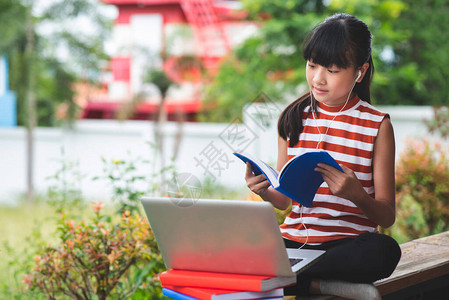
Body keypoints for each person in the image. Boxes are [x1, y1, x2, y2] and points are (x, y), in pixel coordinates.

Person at [244, 13, 401, 299]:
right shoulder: (293, 118)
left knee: (385, 251)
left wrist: (358, 195)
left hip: (346, 247)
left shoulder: (377, 125)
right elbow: (285, 201)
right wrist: (265, 190)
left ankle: (293, 279)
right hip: (294, 242)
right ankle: (318, 284)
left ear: (359, 72)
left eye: (332, 70)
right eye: (312, 65)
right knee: (240, 248)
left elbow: (387, 215)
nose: (318, 79)